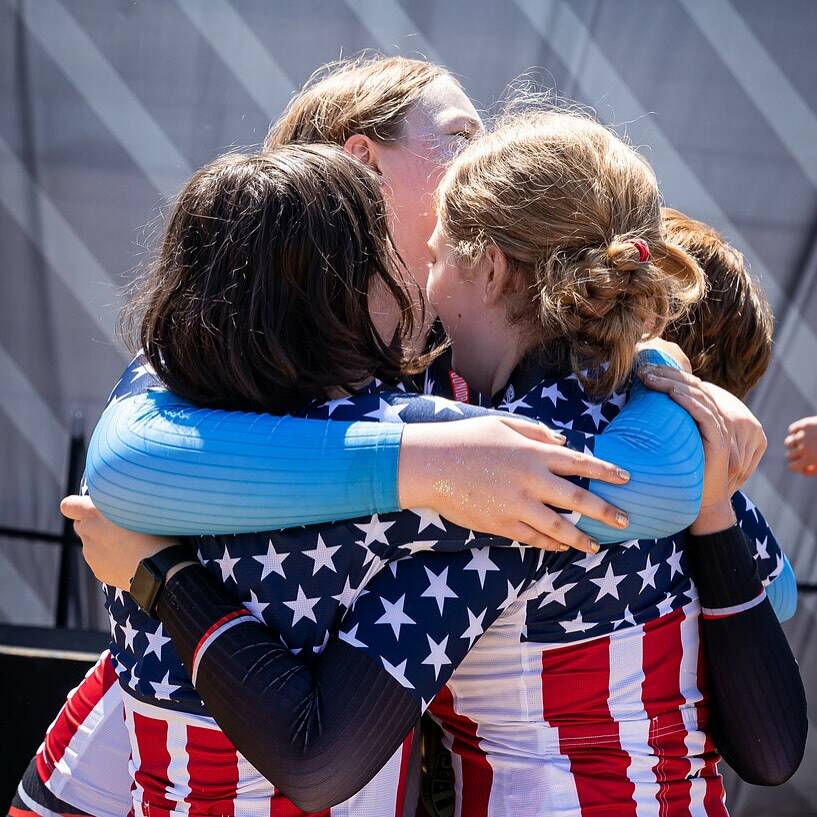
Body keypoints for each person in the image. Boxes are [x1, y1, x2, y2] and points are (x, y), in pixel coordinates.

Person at [71, 111, 803, 816]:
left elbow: (317, 756)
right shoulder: (656, 422)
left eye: (432, 258)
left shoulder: (490, 472)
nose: (422, 288)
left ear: (486, 268)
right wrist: (679, 427)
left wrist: (160, 572)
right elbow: (771, 747)